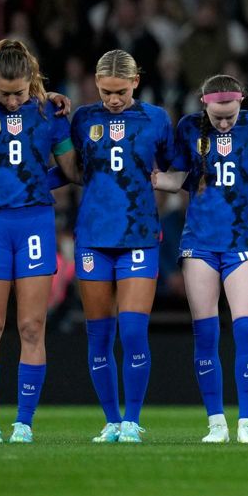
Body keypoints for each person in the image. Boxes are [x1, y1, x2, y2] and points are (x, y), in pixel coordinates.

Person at [152, 74, 248, 444]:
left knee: (247, 330)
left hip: (241, 242)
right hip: (199, 242)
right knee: (206, 333)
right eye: (218, 116)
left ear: (242, 101)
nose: (225, 122)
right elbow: (183, 177)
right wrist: (149, 177)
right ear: (204, 103)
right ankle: (216, 422)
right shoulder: (187, 128)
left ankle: (247, 423)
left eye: (231, 115)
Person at [0, 40, 79, 444]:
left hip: (35, 222)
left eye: (20, 93)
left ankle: (24, 422)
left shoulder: (51, 112)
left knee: (31, 326)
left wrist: (35, 183)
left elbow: (71, 171)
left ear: (34, 82)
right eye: (5, 93)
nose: (12, 101)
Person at [71, 49, 174, 443]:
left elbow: (172, 168)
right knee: (99, 336)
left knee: (132, 332)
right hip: (94, 237)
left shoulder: (156, 120)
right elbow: (70, 169)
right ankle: (111, 420)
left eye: (119, 91)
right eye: (105, 91)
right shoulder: (83, 119)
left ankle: (132, 420)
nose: (112, 99)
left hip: (139, 236)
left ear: (136, 81)